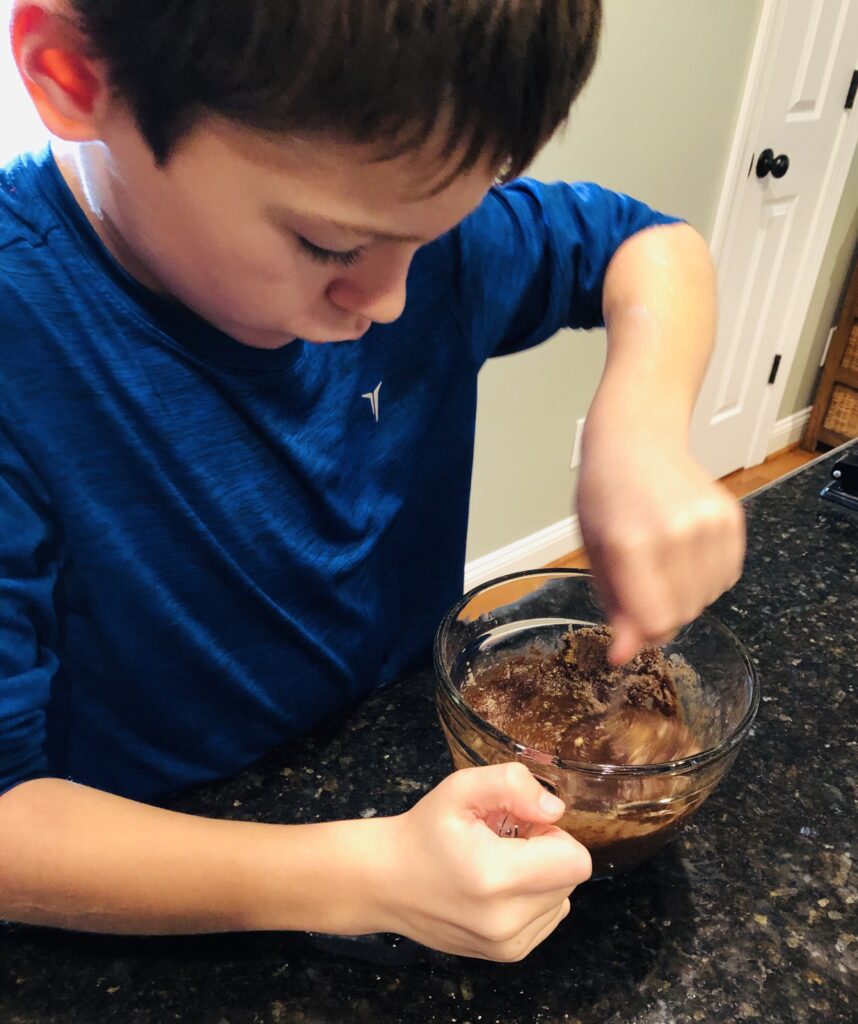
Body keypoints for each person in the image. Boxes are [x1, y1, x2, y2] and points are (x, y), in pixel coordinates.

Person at [0, 0, 744, 961]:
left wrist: (639, 426)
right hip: (147, 884)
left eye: (440, 229)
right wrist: (362, 877)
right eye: (328, 246)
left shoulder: (410, 246)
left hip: (390, 746)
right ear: (72, 76)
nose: (390, 299)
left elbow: (652, 245)